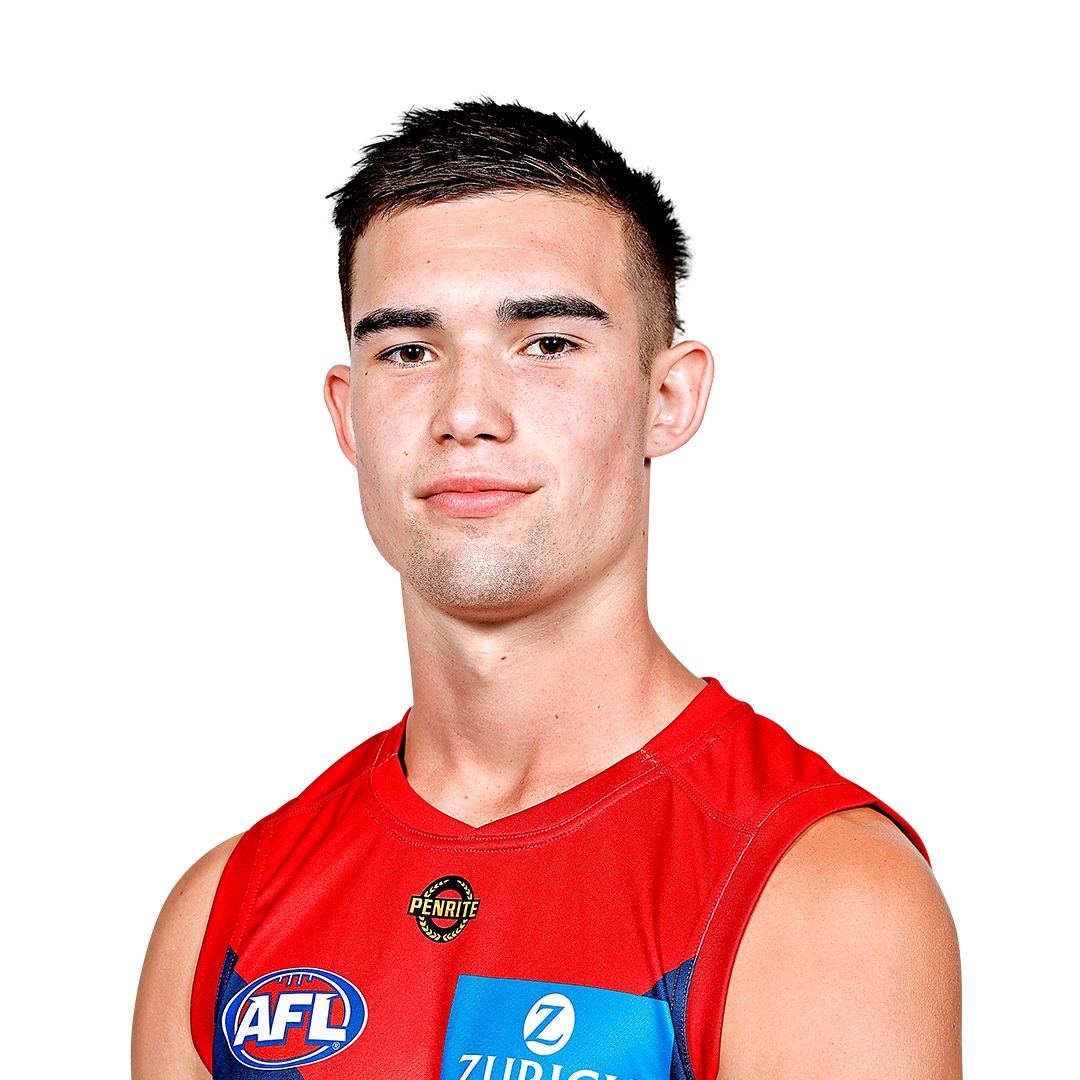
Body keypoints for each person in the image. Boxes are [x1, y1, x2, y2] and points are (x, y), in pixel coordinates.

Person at [131, 92, 961, 1079]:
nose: (466, 412)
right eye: (408, 349)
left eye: (548, 343)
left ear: (668, 398)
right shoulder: (220, 919)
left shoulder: (818, 896)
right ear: (349, 417)